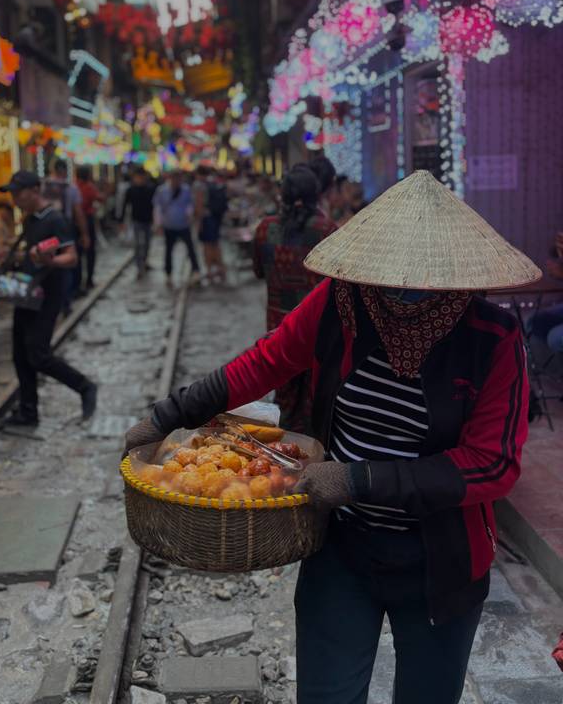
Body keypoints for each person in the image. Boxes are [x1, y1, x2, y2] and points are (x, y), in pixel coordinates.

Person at [125, 170, 540, 704]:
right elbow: (265, 361)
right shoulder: (341, 304)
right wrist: (168, 415)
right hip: (343, 549)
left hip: (442, 562)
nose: (399, 290)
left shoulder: (493, 338)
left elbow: (491, 465)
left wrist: (357, 479)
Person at [0, 170, 97, 427]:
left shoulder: (55, 219)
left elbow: (71, 257)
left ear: (34, 190)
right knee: (20, 354)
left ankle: (84, 386)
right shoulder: (31, 219)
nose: (14, 198)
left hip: (48, 294)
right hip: (28, 292)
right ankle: (28, 412)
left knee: (38, 355)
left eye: (18, 192)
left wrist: (49, 259)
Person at [253, 165, 337, 432]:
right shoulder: (327, 229)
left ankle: (284, 458)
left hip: (279, 328)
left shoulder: (266, 229)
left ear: (283, 195)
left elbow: (258, 270)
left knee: (285, 400)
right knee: (316, 399)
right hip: (318, 329)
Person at [43, 159, 88, 305]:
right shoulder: (71, 188)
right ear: (65, 171)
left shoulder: (44, 186)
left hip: (47, 231)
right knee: (68, 261)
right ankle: (66, 298)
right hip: (66, 229)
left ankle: (54, 296)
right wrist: (84, 233)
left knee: (49, 260)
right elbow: (78, 212)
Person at [154, 169, 201, 288]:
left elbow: (190, 204)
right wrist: (158, 223)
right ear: (170, 178)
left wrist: (189, 215)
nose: (177, 181)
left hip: (183, 225)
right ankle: (168, 274)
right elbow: (158, 208)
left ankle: (196, 271)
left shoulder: (186, 190)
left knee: (190, 248)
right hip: (169, 225)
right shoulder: (162, 190)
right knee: (168, 251)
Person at [194, 165, 228, 284]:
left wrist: (198, 222)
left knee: (207, 246)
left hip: (206, 218)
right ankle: (220, 269)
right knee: (215, 244)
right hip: (215, 217)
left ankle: (209, 270)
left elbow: (199, 205)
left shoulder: (199, 185)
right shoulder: (212, 182)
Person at [121, 167, 156, 280]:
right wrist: (121, 221)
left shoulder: (150, 188)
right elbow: (125, 205)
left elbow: (155, 205)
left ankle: (145, 261)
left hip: (148, 220)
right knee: (137, 244)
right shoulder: (131, 190)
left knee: (147, 243)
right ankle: (139, 266)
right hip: (136, 220)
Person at [76, 166, 102, 291]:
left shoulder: (73, 186)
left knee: (78, 253)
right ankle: (89, 280)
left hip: (74, 223)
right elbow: (100, 198)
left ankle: (78, 282)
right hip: (87, 220)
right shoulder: (89, 187)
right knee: (90, 252)